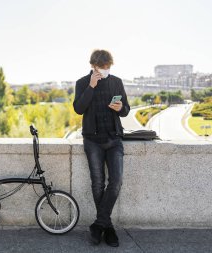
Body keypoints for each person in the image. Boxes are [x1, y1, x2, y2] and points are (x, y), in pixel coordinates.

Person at [73, 49, 130, 247]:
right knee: (97, 183)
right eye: (101, 68)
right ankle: (109, 228)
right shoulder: (82, 83)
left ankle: (99, 225)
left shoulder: (116, 82)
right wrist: (91, 86)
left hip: (114, 139)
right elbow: (79, 108)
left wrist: (120, 108)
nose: (105, 71)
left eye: (107, 67)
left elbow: (126, 110)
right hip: (92, 141)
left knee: (116, 181)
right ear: (93, 66)